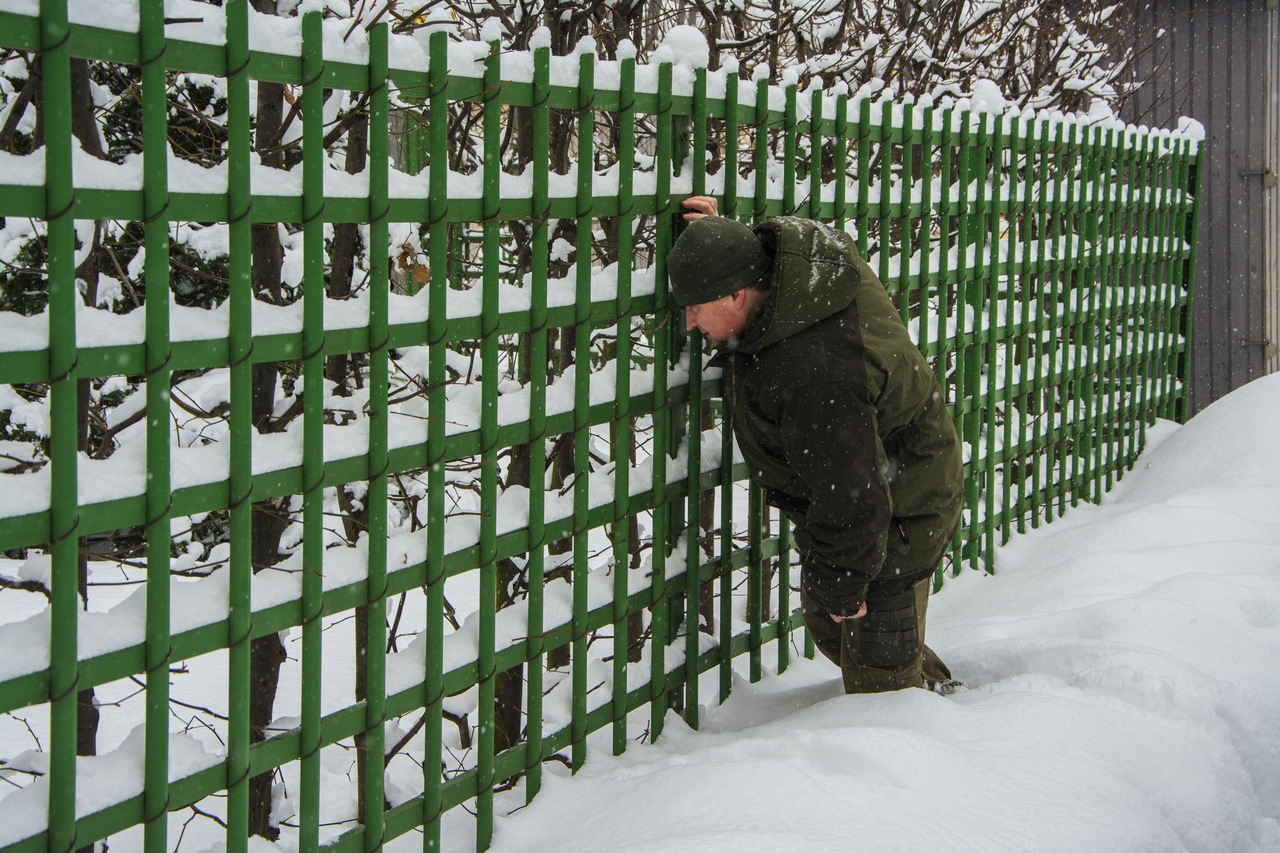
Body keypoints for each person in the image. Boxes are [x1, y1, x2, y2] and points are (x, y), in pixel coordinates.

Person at [667, 196, 964, 694]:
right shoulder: (805, 263)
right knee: (832, 621)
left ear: (738, 296)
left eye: (697, 308)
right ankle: (926, 689)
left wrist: (846, 587)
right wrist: (716, 245)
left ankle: (924, 723)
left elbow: (858, 501)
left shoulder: (814, 375)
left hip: (900, 509)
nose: (692, 323)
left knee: (877, 675)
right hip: (886, 471)